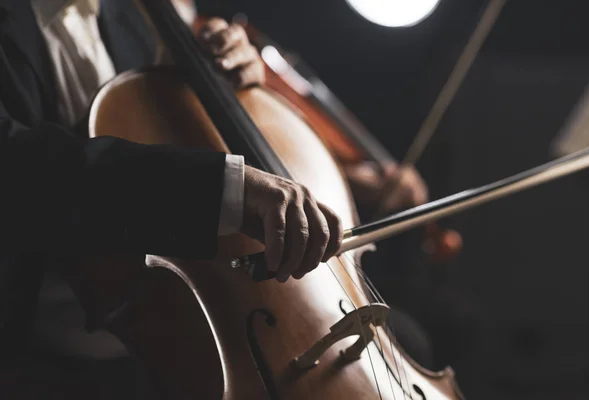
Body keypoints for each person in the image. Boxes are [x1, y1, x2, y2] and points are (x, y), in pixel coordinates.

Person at [0, 0, 343, 398]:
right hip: (53, 338)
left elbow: (153, 130)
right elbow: (20, 167)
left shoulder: (133, 14)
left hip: (184, 303)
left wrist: (221, 79)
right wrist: (224, 190)